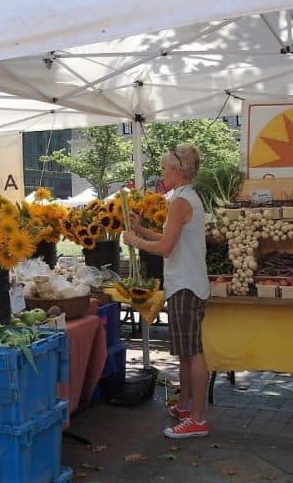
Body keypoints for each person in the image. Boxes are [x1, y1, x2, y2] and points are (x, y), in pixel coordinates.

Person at [123, 144, 210, 439]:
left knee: (193, 353)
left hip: (185, 284)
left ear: (177, 171)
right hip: (188, 283)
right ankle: (186, 407)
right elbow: (169, 238)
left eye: (163, 169)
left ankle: (197, 418)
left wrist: (135, 241)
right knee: (186, 352)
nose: (161, 174)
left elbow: (165, 248)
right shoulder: (185, 199)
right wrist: (143, 230)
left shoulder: (181, 201)